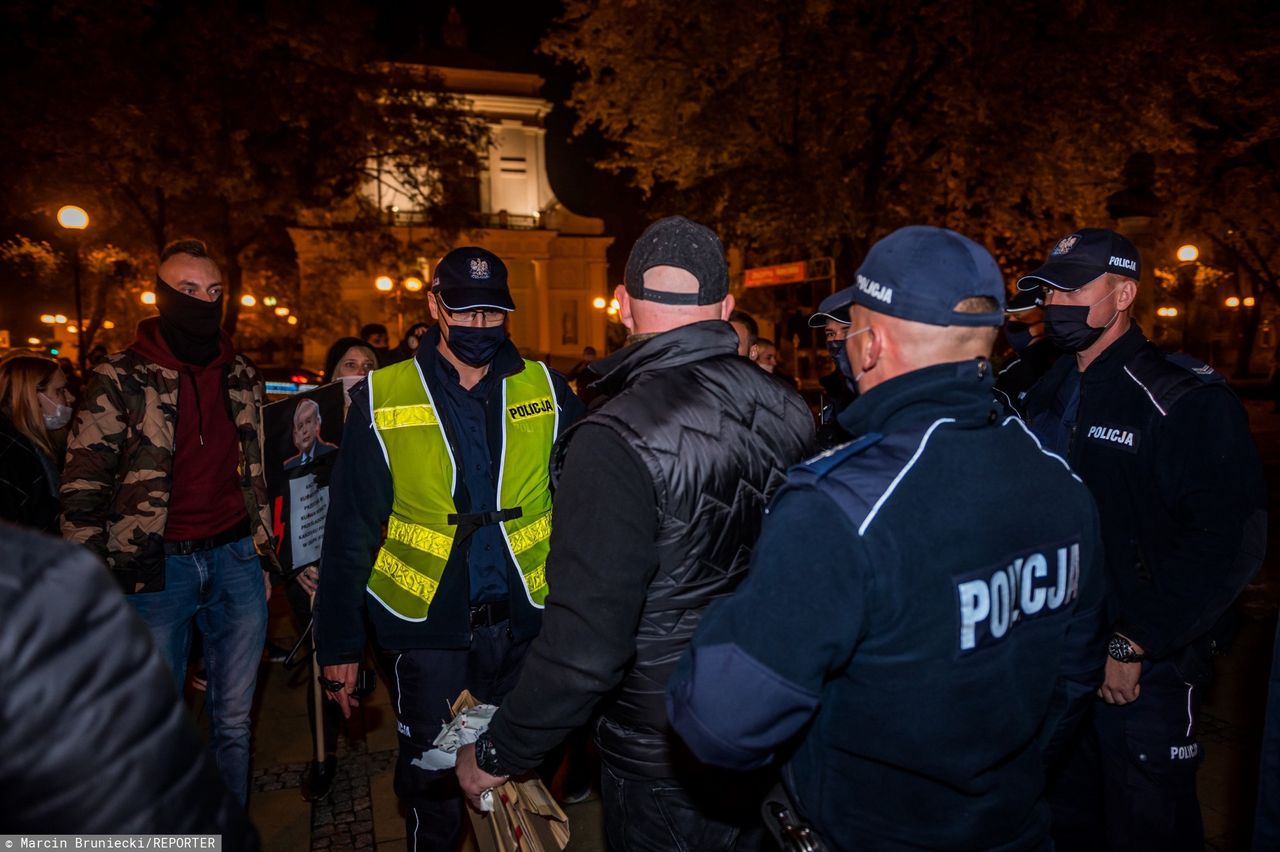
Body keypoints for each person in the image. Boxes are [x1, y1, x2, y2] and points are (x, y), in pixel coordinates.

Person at [665, 225, 1107, 851]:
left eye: (850, 331)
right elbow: (1071, 680)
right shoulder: (1059, 483)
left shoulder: (839, 504)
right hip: (1013, 827)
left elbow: (724, 725)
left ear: (870, 345)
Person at [456, 216, 815, 849]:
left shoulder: (612, 437)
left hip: (664, 757)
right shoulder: (788, 406)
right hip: (770, 728)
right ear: (727, 308)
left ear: (622, 306)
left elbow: (585, 647)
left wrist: (499, 750)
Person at [316, 246, 584, 851]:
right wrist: (339, 644)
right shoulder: (382, 397)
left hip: (525, 625)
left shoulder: (547, 388)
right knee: (432, 792)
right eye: (466, 313)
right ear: (435, 305)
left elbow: (586, 501)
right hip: (427, 630)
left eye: (494, 315)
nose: (480, 328)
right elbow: (351, 527)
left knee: (522, 781)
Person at [1015, 227, 1267, 851]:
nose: (1056, 303)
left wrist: (1137, 642)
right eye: (1049, 290)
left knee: (1147, 822)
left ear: (1124, 293)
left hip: (1138, 665)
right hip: (1054, 651)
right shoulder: (1043, 386)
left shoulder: (1180, 398)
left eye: (1075, 289)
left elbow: (1226, 541)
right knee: (1067, 818)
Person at [61, 238, 280, 805]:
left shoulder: (242, 375)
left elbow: (256, 473)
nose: (204, 302)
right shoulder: (121, 377)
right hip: (153, 572)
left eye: (214, 292)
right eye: (188, 291)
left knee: (232, 722)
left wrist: (262, 556)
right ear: (160, 296)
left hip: (234, 561)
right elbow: (83, 487)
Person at [0, 524, 258, 846]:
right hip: (155, 568)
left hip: (233, 551)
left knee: (231, 723)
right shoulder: (35, 585)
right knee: (157, 730)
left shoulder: (35, 578)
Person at [0, 353, 72, 533]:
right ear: (32, 395)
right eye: (60, 390)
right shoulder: (8, 453)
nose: (70, 397)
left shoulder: (31, 442)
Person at [993, 287, 1060, 416]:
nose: (1011, 321)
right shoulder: (1014, 364)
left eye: (1018, 316)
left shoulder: (1017, 367)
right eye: (1009, 317)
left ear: (1043, 323)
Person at [809, 292, 857, 450]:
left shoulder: (874, 386)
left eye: (845, 331)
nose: (836, 340)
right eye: (830, 334)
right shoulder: (832, 388)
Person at [282, 398, 338, 471]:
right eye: (300, 426)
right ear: (296, 435)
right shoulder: (289, 466)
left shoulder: (331, 452)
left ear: (317, 423)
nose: (304, 430)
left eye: (308, 422)